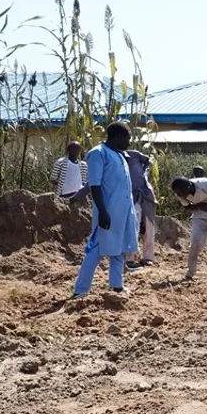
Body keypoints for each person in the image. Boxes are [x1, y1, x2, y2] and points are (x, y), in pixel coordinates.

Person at [73, 122, 138, 297]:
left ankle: (116, 285)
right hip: (108, 212)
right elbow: (95, 184)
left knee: (119, 249)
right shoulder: (98, 153)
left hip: (122, 212)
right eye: (127, 138)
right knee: (96, 251)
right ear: (118, 136)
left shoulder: (119, 155)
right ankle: (80, 290)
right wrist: (102, 211)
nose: (128, 142)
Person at [124, 148, 157, 267]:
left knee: (149, 226)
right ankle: (129, 258)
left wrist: (145, 172)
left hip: (146, 194)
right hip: (130, 196)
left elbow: (149, 160)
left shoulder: (134, 154)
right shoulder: (116, 157)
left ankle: (148, 257)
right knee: (133, 226)